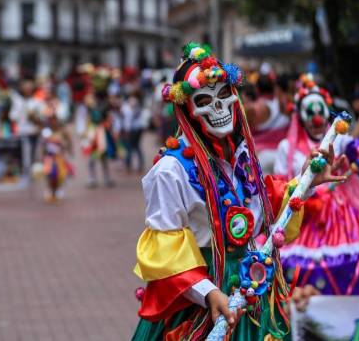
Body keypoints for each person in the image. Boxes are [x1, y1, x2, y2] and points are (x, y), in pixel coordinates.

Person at [132, 43, 345, 340]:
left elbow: (266, 208)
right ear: (187, 109)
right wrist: (208, 293)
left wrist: (306, 180)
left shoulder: (241, 155)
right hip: (203, 302)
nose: (218, 107)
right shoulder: (171, 170)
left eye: (224, 96)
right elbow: (165, 250)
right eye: (205, 100)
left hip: (253, 290)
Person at [274, 78, 359, 295]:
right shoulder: (286, 147)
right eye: (310, 113)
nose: (316, 120)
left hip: (340, 214)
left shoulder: (339, 140)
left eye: (320, 112)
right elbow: (282, 184)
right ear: (300, 116)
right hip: (303, 214)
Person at [121, 91, 147, 174]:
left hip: (132, 129)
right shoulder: (137, 102)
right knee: (137, 147)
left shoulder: (127, 104)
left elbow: (128, 118)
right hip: (139, 127)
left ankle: (128, 167)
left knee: (129, 148)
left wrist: (127, 131)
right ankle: (140, 166)